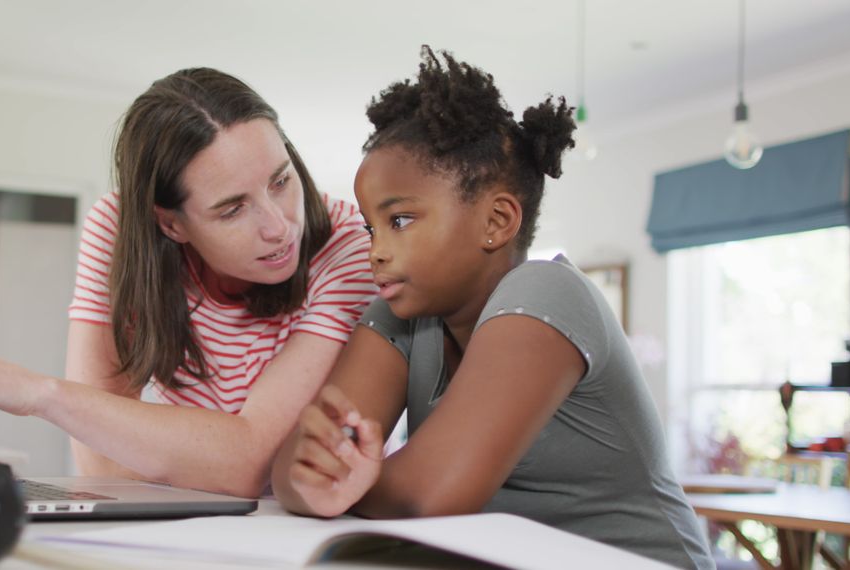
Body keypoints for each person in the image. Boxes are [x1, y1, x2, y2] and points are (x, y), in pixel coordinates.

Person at [270, 48, 714, 569]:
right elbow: (294, 469)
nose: (377, 251)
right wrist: (316, 476)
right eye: (372, 227)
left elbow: (429, 494)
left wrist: (343, 482)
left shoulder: (548, 292)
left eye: (401, 221)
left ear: (497, 221)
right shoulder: (399, 315)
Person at [0, 68, 377, 498]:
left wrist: (40, 394)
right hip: (185, 521)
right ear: (171, 225)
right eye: (233, 209)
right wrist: (207, 458)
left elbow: (247, 465)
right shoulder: (117, 231)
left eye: (281, 181)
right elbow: (99, 463)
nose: (279, 227)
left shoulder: (350, 247)